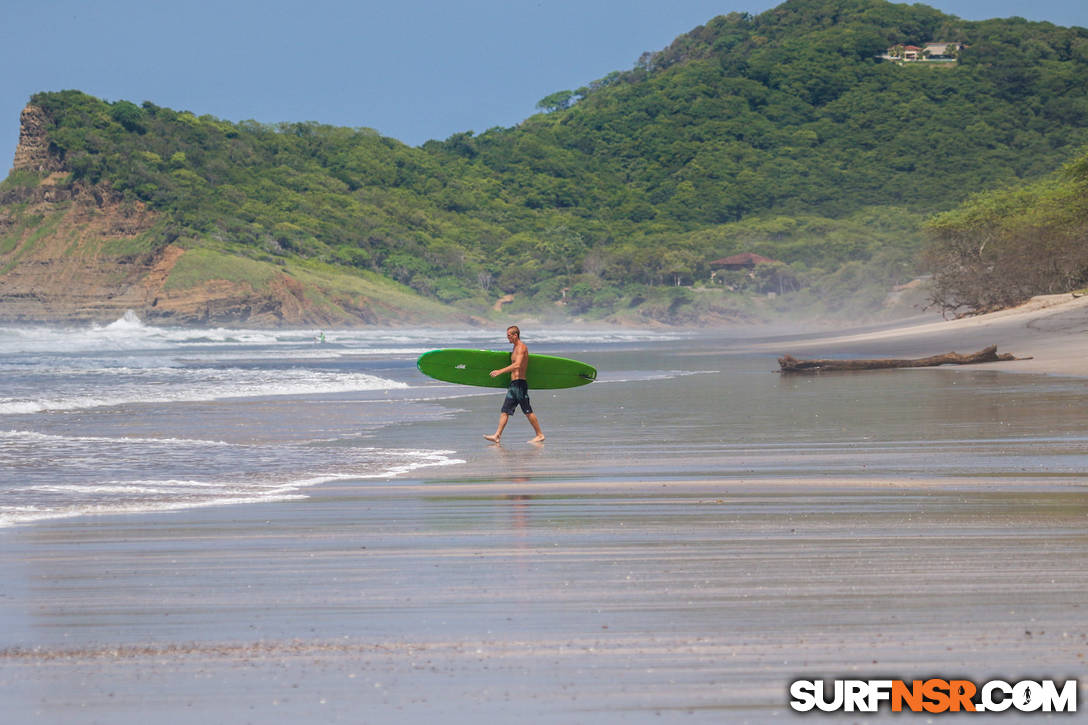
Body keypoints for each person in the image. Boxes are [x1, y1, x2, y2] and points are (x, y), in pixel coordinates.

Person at [484, 325, 545, 444]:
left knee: (527, 410)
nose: (508, 338)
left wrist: (499, 371)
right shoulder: (515, 348)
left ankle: (540, 434)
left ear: (515, 335)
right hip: (513, 385)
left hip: (520, 385)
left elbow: (517, 365)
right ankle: (497, 435)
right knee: (505, 410)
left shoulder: (521, 347)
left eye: (509, 336)